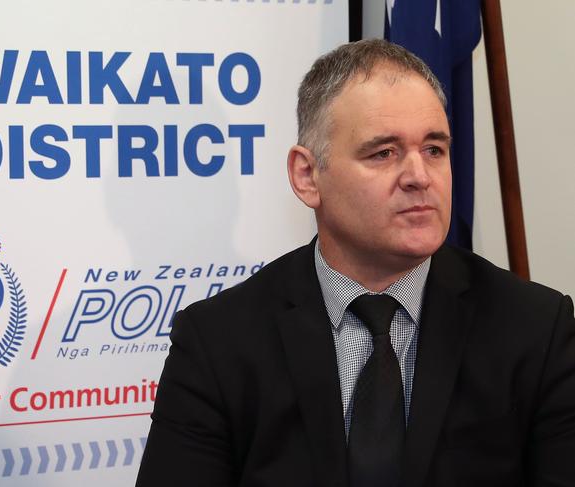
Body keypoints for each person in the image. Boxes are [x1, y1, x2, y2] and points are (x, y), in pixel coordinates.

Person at [135, 39, 575, 486]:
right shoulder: (219, 342)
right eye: (383, 153)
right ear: (307, 176)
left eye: (434, 150)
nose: (419, 177)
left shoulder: (536, 328)